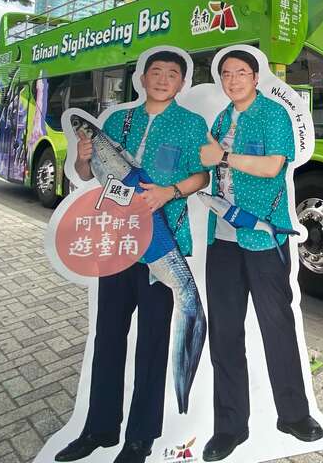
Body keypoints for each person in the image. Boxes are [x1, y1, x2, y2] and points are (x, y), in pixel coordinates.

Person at [55, 51, 209, 463]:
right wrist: (83, 156)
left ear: (181, 83)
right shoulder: (118, 121)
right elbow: (89, 175)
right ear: (142, 78)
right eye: (155, 72)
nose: (162, 79)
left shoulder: (192, 124)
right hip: (117, 242)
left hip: (161, 246)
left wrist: (169, 192)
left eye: (172, 74)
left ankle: (140, 438)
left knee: (153, 343)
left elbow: (202, 175)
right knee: (107, 336)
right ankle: (99, 428)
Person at [198, 49, 323, 462]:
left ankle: (294, 416)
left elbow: (273, 166)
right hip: (222, 240)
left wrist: (223, 157)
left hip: (264, 240)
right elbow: (206, 167)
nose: (233, 80)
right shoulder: (220, 121)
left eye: (241, 73)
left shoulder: (273, 115)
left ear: (255, 77)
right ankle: (230, 427)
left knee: (277, 327)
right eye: (226, 74)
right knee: (225, 333)